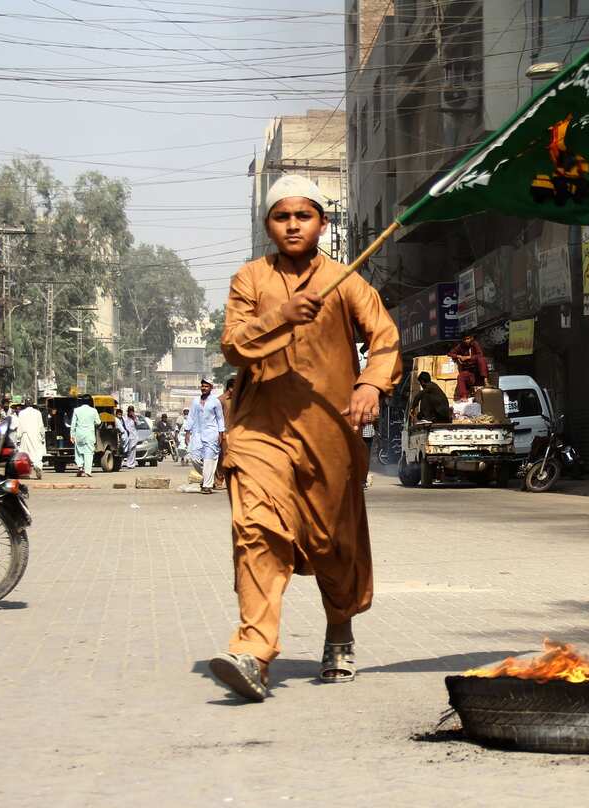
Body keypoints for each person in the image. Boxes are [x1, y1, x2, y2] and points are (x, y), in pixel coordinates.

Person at [209, 174, 401, 702]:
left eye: (303, 215)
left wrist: (369, 384)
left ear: (322, 222)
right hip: (259, 428)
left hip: (329, 433)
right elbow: (233, 345)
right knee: (255, 526)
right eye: (281, 216)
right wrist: (281, 315)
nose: (292, 224)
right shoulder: (249, 279)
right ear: (268, 225)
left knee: (331, 543)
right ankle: (253, 650)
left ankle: (339, 629)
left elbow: (384, 339)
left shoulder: (347, 280)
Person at [184, 379, 225, 495]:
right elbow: (191, 416)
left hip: (212, 433)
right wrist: (187, 432)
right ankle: (208, 477)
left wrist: (221, 433)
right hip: (197, 433)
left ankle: (207, 485)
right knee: (194, 457)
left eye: (206, 386)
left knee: (208, 460)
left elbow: (220, 418)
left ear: (211, 388)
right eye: (202, 386)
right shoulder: (196, 401)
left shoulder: (215, 402)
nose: (204, 388)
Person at [448, 333, 488, 400]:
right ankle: (464, 396)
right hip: (469, 370)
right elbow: (450, 353)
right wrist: (459, 356)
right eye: (465, 339)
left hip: (478, 369)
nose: (467, 341)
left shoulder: (475, 344)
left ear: (471, 338)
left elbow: (480, 355)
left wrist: (468, 357)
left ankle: (486, 380)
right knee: (461, 376)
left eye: (468, 339)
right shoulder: (461, 346)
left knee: (481, 359)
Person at [13, 398, 46, 478]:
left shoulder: (21, 413)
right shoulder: (38, 413)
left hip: (25, 436)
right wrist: (42, 436)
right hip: (36, 435)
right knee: (37, 452)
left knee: (25, 454)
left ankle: (26, 472)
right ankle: (38, 465)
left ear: (25, 404)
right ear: (32, 404)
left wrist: (18, 438)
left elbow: (20, 427)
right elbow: (41, 426)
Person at [69, 396, 101, 477]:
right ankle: (88, 471)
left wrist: (72, 435)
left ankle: (80, 467)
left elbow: (73, 424)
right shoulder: (94, 410)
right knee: (89, 452)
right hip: (89, 434)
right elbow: (98, 422)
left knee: (78, 451)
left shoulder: (76, 410)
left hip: (79, 434)